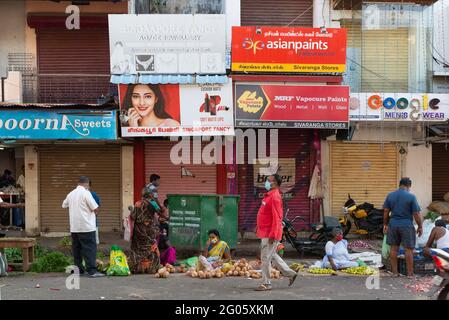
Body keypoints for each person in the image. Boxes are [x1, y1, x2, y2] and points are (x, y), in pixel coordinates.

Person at [255, 174, 298, 291]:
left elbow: (277, 218)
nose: (266, 182)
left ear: (275, 183)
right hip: (264, 231)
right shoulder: (269, 195)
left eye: (269, 180)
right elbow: (265, 214)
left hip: (269, 233)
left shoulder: (274, 197)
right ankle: (291, 274)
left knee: (265, 258)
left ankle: (266, 283)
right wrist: (258, 227)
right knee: (272, 255)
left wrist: (273, 235)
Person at [62, 176, 104, 278]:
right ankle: (92, 271)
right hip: (86, 226)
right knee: (89, 248)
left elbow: (64, 205)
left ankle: (79, 270)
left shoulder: (71, 194)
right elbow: (95, 208)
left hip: (74, 227)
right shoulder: (86, 193)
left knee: (77, 249)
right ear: (87, 184)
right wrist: (95, 213)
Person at [383, 177, 423, 278]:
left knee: (393, 249)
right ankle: (410, 274)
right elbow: (416, 213)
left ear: (400, 184)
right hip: (406, 225)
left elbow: (386, 211)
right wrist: (420, 226)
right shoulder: (411, 197)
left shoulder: (390, 195)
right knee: (408, 250)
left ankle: (395, 273)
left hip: (393, 225)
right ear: (408, 186)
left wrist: (385, 224)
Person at [128, 190, 161, 274]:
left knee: (138, 248)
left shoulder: (138, 203)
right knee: (151, 246)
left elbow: (133, 216)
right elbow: (160, 211)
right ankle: (151, 268)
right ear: (150, 196)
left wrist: (132, 211)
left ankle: (136, 268)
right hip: (149, 229)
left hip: (139, 229)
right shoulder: (152, 203)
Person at [89, 181, 101, 245]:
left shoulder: (93, 195)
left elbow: (97, 207)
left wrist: (95, 214)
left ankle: (96, 242)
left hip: (92, 219)